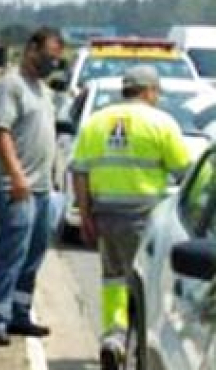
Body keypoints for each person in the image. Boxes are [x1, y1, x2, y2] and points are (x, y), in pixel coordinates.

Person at [70, 65, 191, 370]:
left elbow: (80, 172)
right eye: (157, 92)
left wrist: (85, 215)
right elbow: (185, 170)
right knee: (146, 283)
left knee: (113, 278)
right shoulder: (161, 123)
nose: (158, 97)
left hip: (106, 216)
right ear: (149, 90)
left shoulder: (96, 122)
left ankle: (113, 338)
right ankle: (139, 346)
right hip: (146, 219)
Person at [0, 27, 65, 346]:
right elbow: (0, 133)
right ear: (31, 49)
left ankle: (19, 311)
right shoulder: (10, 85)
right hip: (14, 185)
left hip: (42, 188)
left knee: (34, 253)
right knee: (11, 251)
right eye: (47, 57)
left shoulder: (41, 90)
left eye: (56, 61)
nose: (50, 65)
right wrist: (16, 177)